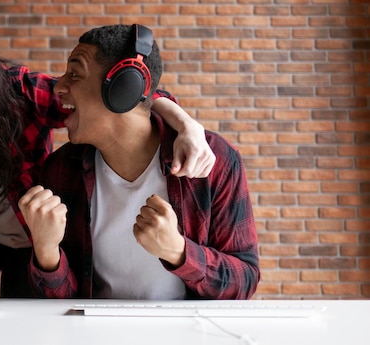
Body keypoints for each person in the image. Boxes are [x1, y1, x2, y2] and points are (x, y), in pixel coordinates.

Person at [0, 13, 216, 298]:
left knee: (31, 325)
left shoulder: (12, 90)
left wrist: (186, 124)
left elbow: (112, 100)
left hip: (39, 237)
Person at [18, 24, 260, 300]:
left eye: (74, 74)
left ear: (124, 89)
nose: (58, 87)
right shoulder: (61, 170)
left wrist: (178, 252)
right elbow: (65, 305)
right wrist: (47, 251)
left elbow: (245, 280)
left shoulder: (212, 160)